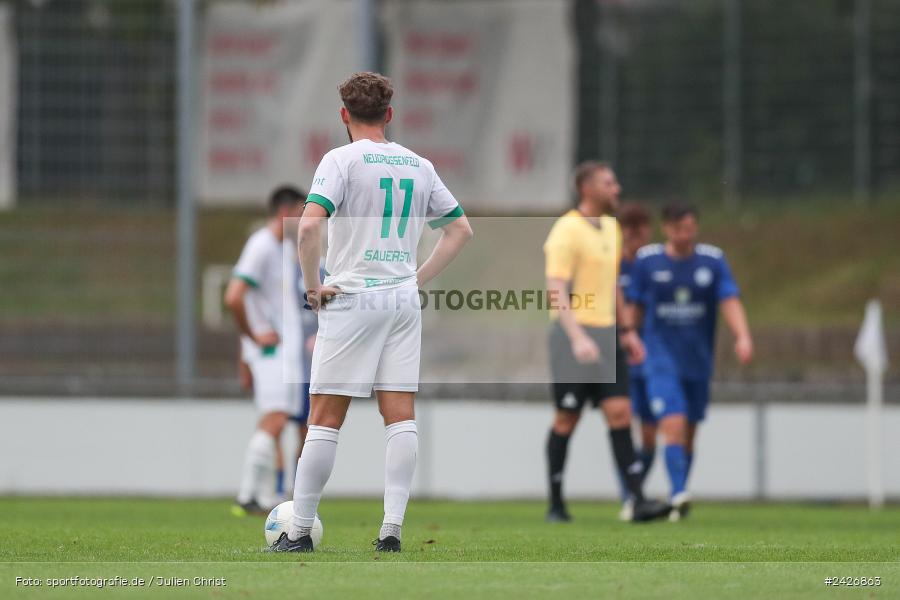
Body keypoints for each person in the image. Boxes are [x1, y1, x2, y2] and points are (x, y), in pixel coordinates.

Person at [270, 72, 473, 553]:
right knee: (400, 415)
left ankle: (298, 531)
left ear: (344, 115)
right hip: (401, 300)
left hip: (352, 296)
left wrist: (313, 287)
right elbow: (460, 230)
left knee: (324, 416)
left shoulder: (339, 161)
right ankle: (392, 531)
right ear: (390, 114)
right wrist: (415, 280)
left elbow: (306, 230)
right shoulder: (418, 164)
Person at [543, 161, 669, 523]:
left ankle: (637, 499)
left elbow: (612, 284)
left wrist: (627, 331)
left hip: (608, 333)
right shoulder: (566, 230)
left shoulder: (612, 229)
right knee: (567, 418)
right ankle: (556, 503)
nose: (617, 188)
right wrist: (578, 337)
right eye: (609, 183)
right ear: (588, 189)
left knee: (620, 413)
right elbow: (556, 290)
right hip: (573, 336)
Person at [626, 202, 753, 520]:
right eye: (680, 228)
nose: (686, 234)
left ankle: (674, 496)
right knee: (672, 423)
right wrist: (628, 338)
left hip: (697, 359)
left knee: (690, 431)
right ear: (667, 228)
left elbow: (729, 299)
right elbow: (636, 307)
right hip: (658, 357)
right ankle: (679, 492)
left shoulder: (712, 260)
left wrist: (743, 335)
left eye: (691, 228)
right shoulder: (649, 261)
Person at [224, 186, 307, 515]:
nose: (305, 219)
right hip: (272, 353)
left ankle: (264, 495)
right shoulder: (260, 245)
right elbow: (233, 297)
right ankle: (247, 496)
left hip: (283, 353)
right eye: (302, 212)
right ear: (286, 212)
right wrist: (254, 338)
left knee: (279, 421)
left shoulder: (283, 249)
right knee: (273, 420)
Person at [614, 202, 656, 521]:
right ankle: (630, 495)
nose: (636, 237)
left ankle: (634, 491)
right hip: (620, 353)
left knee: (651, 432)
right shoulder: (611, 264)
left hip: (650, 353)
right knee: (623, 423)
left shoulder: (652, 266)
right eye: (630, 230)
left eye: (641, 230)